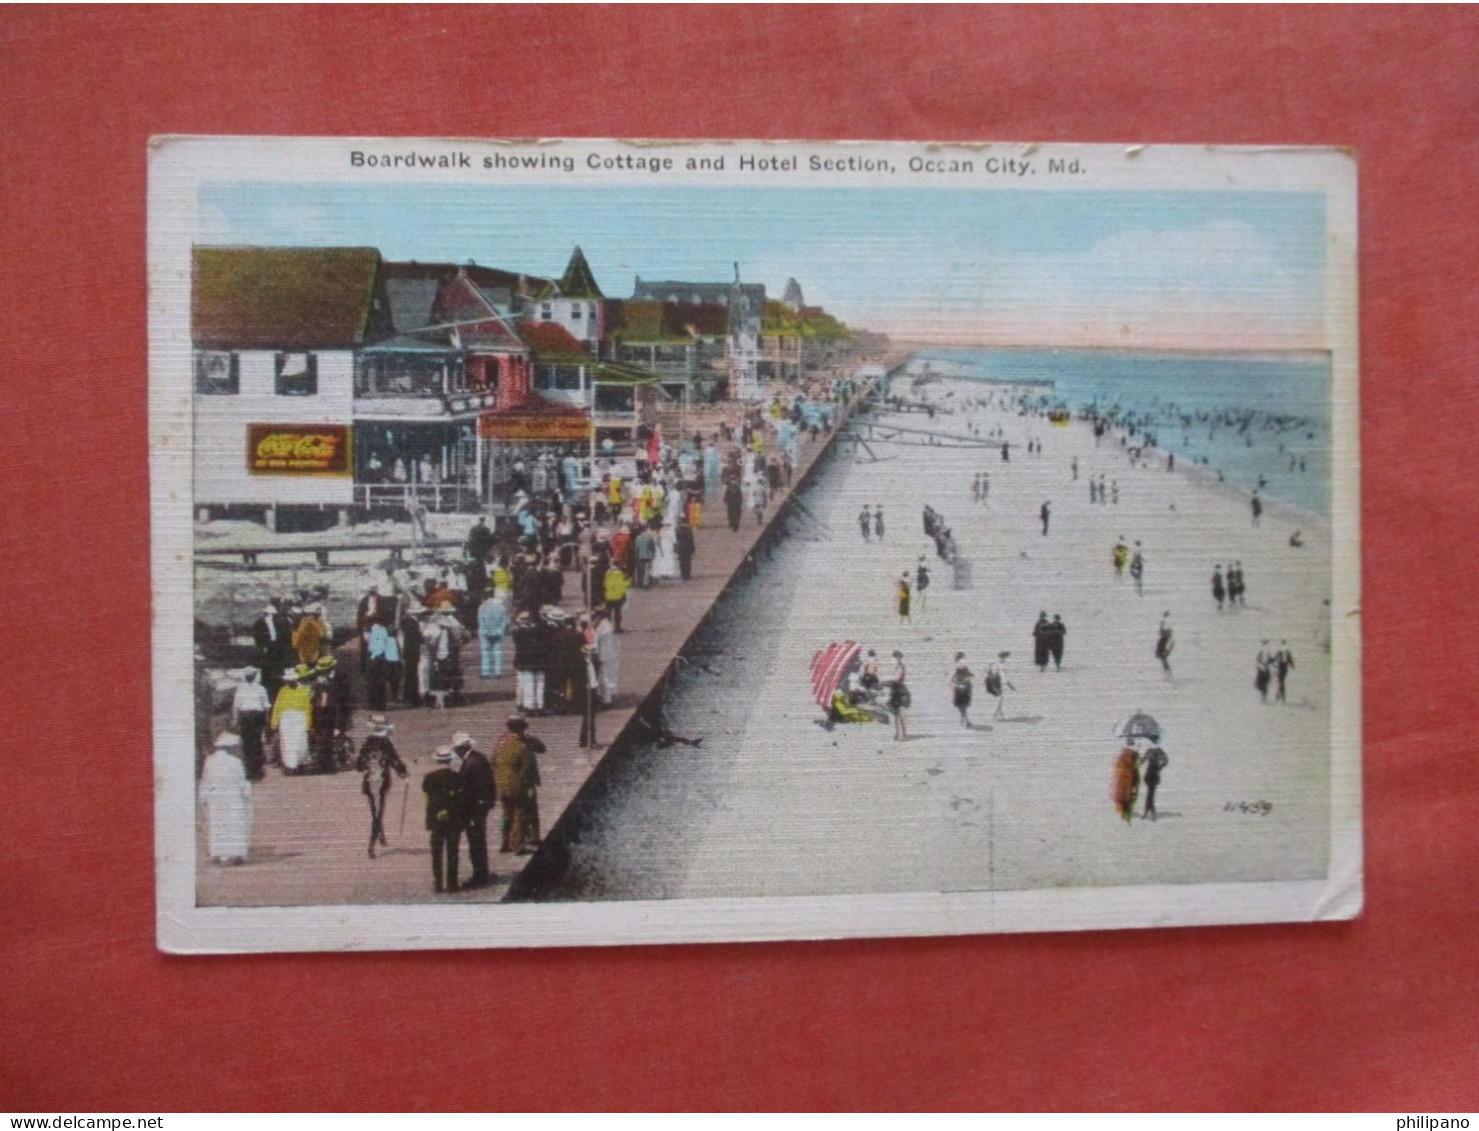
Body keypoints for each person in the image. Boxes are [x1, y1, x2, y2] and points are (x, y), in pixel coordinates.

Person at [356, 715, 408, 859]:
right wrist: (403, 773)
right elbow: (394, 760)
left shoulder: (367, 742)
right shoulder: (385, 743)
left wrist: (367, 763)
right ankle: (371, 845)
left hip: (369, 782)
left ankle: (379, 834)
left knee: (376, 811)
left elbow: (359, 765)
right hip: (381, 782)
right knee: (378, 813)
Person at [494, 716, 545, 855]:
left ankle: (506, 843)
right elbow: (540, 750)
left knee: (507, 815)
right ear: (522, 728)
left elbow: (494, 761)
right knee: (523, 813)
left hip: (503, 784)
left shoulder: (502, 741)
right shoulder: (524, 743)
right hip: (522, 784)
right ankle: (522, 843)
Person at [199, 733, 252, 865]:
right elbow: (242, 782)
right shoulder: (236, 762)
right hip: (233, 797)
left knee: (218, 824)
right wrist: (246, 793)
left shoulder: (210, 761)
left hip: (216, 797)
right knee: (235, 823)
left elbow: (205, 781)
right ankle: (236, 853)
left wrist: (203, 796)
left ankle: (218, 852)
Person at [454, 731, 496, 888]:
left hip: (474, 809)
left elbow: (470, 789)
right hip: (480, 807)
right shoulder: (478, 758)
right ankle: (482, 873)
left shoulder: (472, 762)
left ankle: (480, 877)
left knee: (476, 843)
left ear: (461, 749)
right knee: (478, 842)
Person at [423, 747, 465, 894]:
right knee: (453, 852)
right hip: (453, 819)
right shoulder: (457, 777)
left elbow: (428, 799)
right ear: (449, 760)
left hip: (436, 820)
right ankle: (452, 884)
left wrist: (436, 812)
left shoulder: (429, 778)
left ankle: (438, 884)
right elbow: (459, 800)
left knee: (436, 853)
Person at [230, 668, 271, 781]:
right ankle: (249, 770)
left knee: (257, 743)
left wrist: (266, 720)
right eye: (248, 675)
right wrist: (235, 719)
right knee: (247, 743)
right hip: (245, 716)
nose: (249, 677)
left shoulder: (261, 688)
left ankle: (257, 770)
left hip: (257, 716)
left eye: (251, 675)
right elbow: (236, 705)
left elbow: (266, 706)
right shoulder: (241, 688)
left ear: (254, 676)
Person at [269, 666, 312, 774]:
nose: (289, 683)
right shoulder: (283, 691)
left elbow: (308, 707)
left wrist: (308, 723)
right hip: (286, 719)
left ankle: (300, 764)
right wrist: (274, 721)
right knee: (288, 743)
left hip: (300, 718)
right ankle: (290, 766)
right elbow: (278, 706)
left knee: (300, 742)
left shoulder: (304, 690)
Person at [477, 592, 509, 680]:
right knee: (498, 653)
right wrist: (499, 630)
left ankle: (485, 673)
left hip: (485, 632)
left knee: (486, 653)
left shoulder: (482, 607)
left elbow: (480, 621)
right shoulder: (502, 607)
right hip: (498, 632)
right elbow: (505, 621)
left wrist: (487, 631)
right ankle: (498, 672)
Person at [593, 608, 620, 705]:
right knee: (606, 677)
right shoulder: (606, 625)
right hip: (608, 654)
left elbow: (597, 638)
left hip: (604, 655)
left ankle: (606, 700)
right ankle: (606, 697)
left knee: (604, 677)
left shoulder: (604, 626)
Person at [1111, 741, 1140, 825]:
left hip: (1126, 778)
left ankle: (1127, 815)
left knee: (1127, 796)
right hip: (1126, 778)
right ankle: (1126, 816)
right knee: (1126, 796)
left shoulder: (1124, 754)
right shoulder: (1127, 755)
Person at [885, 651, 910, 742]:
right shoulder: (897, 667)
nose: (893, 661)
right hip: (895, 691)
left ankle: (901, 735)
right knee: (896, 714)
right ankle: (899, 734)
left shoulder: (900, 667)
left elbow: (896, 679)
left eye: (895, 659)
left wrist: (886, 680)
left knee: (898, 713)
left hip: (898, 692)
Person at [1142, 744, 1168, 821]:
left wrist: (1160, 767)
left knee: (1150, 793)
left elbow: (1165, 761)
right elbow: (1165, 761)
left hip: (1152, 773)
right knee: (1150, 793)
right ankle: (1150, 811)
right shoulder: (1154, 751)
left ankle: (1148, 811)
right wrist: (1160, 767)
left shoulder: (1152, 751)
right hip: (1151, 774)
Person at [603, 563, 630, 633]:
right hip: (618, 597)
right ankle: (617, 628)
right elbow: (624, 585)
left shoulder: (608, 572)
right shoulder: (621, 574)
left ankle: (607, 628)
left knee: (608, 613)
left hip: (608, 596)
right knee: (617, 613)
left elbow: (604, 583)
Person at [950, 653, 974, 727]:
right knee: (963, 705)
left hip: (963, 687)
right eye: (963, 658)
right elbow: (953, 678)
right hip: (962, 688)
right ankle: (965, 720)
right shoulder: (958, 667)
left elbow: (969, 675)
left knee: (963, 705)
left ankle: (965, 720)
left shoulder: (961, 667)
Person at [1155, 613, 1175, 678]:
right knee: (1164, 660)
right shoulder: (1164, 638)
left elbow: (1171, 644)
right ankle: (1168, 672)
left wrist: (1167, 651)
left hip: (1164, 649)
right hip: (1163, 649)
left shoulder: (1165, 638)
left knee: (1164, 660)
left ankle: (1168, 673)